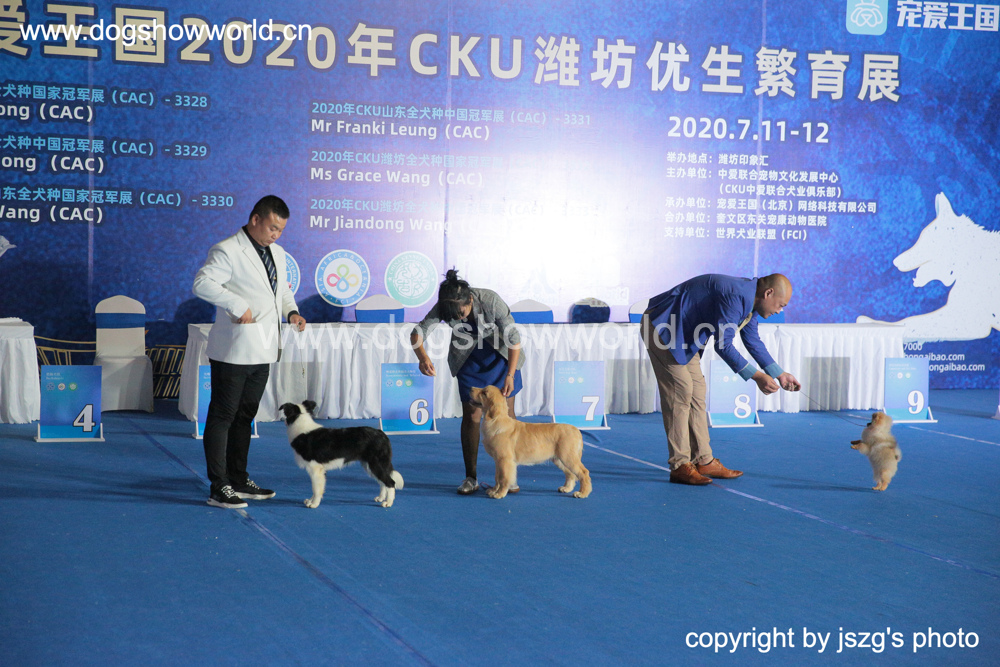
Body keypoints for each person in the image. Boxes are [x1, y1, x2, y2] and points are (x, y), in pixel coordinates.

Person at [192, 195, 307, 508]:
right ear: (255, 219)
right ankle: (219, 486)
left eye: (281, 230)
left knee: (245, 416)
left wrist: (292, 312)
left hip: (263, 349)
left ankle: (238, 479)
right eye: (272, 228)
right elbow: (202, 283)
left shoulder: (278, 253)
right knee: (223, 416)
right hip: (234, 350)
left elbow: (281, 291)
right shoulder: (228, 249)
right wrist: (236, 304)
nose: (276, 235)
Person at [641, 273, 801, 485]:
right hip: (663, 326)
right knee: (681, 391)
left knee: (697, 391)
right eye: (781, 305)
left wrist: (779, 373)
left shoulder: (751, 300)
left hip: (684, 334)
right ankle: (680, 465)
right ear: (768, 293)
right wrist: (757, 376)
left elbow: (752, 339)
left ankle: (703, 460)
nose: (779, 311)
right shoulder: (736, 296)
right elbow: (723, 346)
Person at [410, 270, 524, 494]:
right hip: (469, 360)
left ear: (470, 300)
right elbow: (417, 332)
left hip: (500, 358)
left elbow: (514, 339)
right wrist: (422, 358)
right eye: (454, 316)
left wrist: (510, 375)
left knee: (507, 416)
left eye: (462, 313)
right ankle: (471, 477)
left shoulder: (490, 300)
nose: (459, 318)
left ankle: (508, 477)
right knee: (472, 416)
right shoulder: (446, 305)